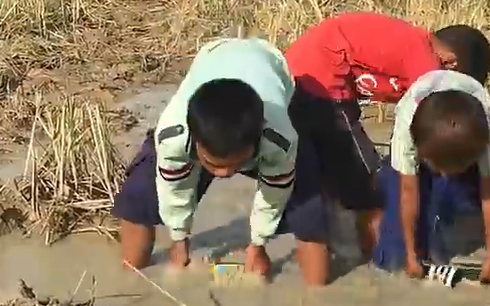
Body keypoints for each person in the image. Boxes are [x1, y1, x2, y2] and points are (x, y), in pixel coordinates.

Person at [111, 37, 330, 287]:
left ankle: (317, 294)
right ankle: (131, 278)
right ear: (194, 142)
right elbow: (175, 188)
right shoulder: (173, 135)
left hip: (271, 65)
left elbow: (274, 195)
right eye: (213, 165)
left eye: (235, 165)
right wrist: (178, 240)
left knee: (309, 209)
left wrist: (258, 245)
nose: (224, 175)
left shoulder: (279, 139)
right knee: (138, 196)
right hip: (213, 58)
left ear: (256, 142)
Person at [285, 11, 490, 255]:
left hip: (312, 79)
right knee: (368, 178)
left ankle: (352, 245)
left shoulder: (420, 59)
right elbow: (428, 122)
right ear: (450, 63)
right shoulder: (424, 60)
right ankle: (379, 253)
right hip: (318, 79)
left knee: (337, 173)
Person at [372, 68, 490, 287]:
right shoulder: (407, 129)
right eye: (438, 168)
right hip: (424, 125)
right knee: (394, 252)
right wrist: (411, 255)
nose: (444, 174)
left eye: (454, 169)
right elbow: (408, 192)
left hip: (477, 126)